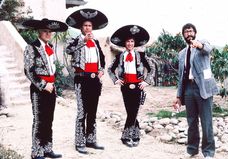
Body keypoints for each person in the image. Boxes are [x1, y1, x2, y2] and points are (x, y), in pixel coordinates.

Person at [23, 18, 68, 159]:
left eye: (50, 32)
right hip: (39, 89)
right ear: (39, 32)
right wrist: (43, 85)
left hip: (51, 88)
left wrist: (53, 84)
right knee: (39, 120)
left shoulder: (51, 48)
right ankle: (36, 151)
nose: (48, 34)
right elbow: (29, 71)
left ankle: (47, 148)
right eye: (45, 31)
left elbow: (52, 69)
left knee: (49, 120)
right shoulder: (31, 47)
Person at [65, 8, 108, 154]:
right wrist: (83, 40)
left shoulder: (96, 42)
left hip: (95, 80)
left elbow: (102, 59)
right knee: (82, 112)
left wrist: (101, 70)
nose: (88, 28)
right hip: (81, 79)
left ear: (92, 27)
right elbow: (68, 50)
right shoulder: (75, 40)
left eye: (89, 26)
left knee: (92, 111)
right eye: (85, 26)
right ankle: (79, 142)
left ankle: (91, 139)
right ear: (81, 28)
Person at [173, 23, 218, 159]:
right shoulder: (181, 53)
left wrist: (199, 45)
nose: (189, 33)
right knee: (191, 122)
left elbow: (209, 49)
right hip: (188, 89)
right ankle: (191, 150)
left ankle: (208, 152)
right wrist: (178, 96)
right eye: (186, 32)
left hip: (203, 88)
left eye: (191, 31)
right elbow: (181, 76)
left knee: (206, 122)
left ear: (195, 33)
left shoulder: (202, 44)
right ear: (183, 35)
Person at [108, 25, 154, 147]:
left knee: (134, 111)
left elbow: (152, 68)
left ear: (135, 43)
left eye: (132, 41)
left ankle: (127, 136)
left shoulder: (141, 56)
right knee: (131, 111)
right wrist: (116, 80)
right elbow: (110, 69)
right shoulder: (119, 56)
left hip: (138, 86)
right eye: (128, 41)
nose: (130, 43)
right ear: (124, 43)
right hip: (125, 86)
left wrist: (146, 81)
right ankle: (135, 135)